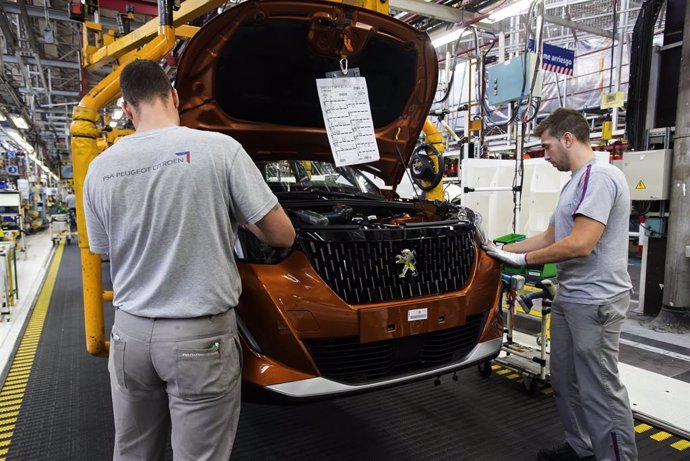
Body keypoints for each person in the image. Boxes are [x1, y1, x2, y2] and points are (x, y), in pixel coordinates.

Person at [83, 59, 295, 461]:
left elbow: (105, 248)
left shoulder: (99, 169)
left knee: (132, 453)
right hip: (199, 341)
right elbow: (283, 234)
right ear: (175, 96)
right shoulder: (220, 150)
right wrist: (236, 218)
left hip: (129, 336)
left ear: (127, 109)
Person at [484, 108, 637, 461]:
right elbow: (552, 235)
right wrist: (499, 249)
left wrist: (521, 261)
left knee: (600, 390)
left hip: (596, 302)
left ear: (568, 138)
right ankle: (582, 447)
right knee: (566, 381)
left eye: (548, 146)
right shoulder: (575, 183)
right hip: (572, 297)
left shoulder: (600, 177)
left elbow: (580, 243)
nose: (546, 155)